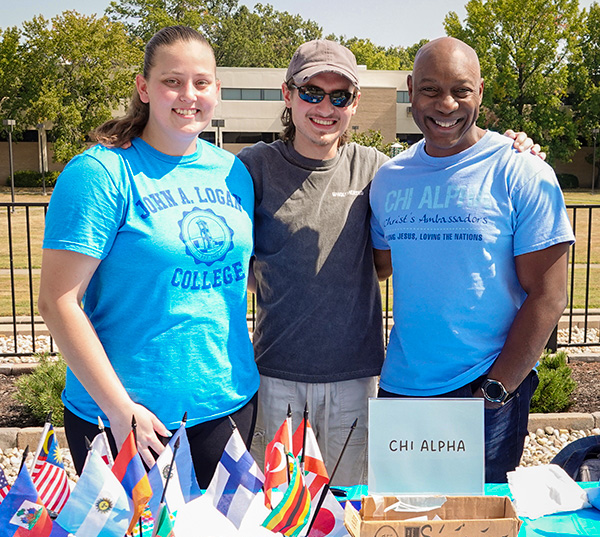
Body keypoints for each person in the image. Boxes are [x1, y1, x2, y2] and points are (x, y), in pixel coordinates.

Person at [238, 39, 541, 485]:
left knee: (350, 519)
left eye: (339, 96)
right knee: (276, 521)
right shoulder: (251, 167)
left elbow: (382, 263)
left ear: (355, 102)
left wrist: (518, 145)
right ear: (288, 94)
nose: (325, 106)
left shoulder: (380, 171)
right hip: (274, 377)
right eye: (311, 92)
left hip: (358, 380)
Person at [38, 25, 259, 488]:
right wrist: (121, 412)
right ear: (143, 87)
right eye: (171, 81)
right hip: (130, 421)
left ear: (217, 90)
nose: (188, 95)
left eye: (201, 82)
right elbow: (58, 302)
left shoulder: (233, 171)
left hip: (227, 405)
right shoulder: (100, 173)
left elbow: (235, 278)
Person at [369, 37, 575, 483]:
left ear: (480, 91)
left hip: (485, 387)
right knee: (400, 531)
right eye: (430, 89)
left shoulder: (522, 171)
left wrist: (497, 389)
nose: (446, 104)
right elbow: (380, 265)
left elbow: (549, 296)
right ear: (410, 90)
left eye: (461, 90)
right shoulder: (388, 179)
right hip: (402, 388)